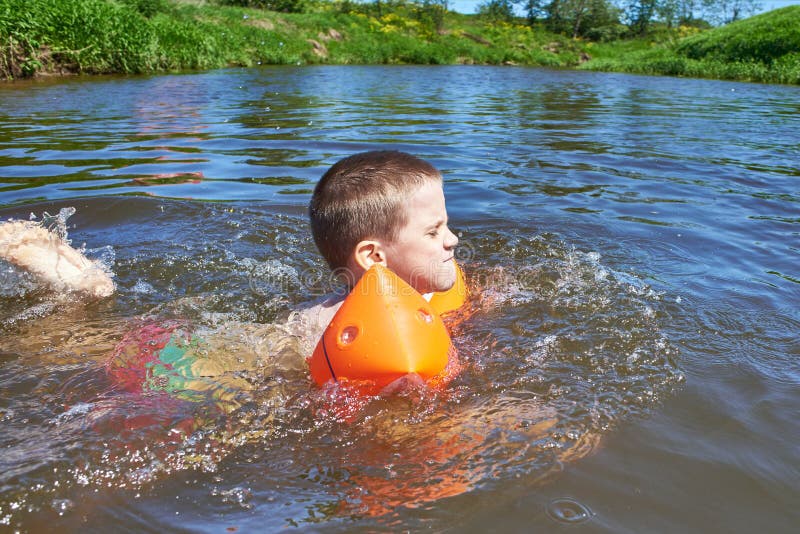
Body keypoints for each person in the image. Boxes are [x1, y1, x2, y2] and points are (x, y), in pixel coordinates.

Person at [304, 150, 461, 333]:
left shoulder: (430, 287)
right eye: (433, 232)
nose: (453, 239)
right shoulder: (323, 326)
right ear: (374, 256)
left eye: (446, 225)